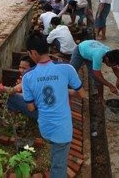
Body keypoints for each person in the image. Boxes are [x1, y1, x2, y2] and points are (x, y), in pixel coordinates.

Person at [23, 33, 85, 178]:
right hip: (62, 130)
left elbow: (31, 108)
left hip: (45, 127)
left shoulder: (27, 77)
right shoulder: (67, 69)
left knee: (56, 155)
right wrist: (63, 90)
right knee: (59, 167)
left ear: (33, 53)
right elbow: (82, 93)